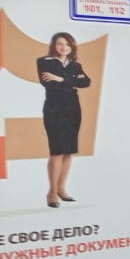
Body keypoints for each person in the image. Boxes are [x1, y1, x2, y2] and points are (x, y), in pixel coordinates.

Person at [37, 32, 91, 208]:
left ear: (72, 47)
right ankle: (52, 192)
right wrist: (72, 81)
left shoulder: (75, 65)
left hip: (73, 110)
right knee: (57, 151)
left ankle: (61, 188)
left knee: (69, 151)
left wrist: (60, 78)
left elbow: (86, 82)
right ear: (54, 45)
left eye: (67, 44)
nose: (64, 47)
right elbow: (49, 84)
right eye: (60, 43)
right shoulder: (44, 61)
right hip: (55, 109)